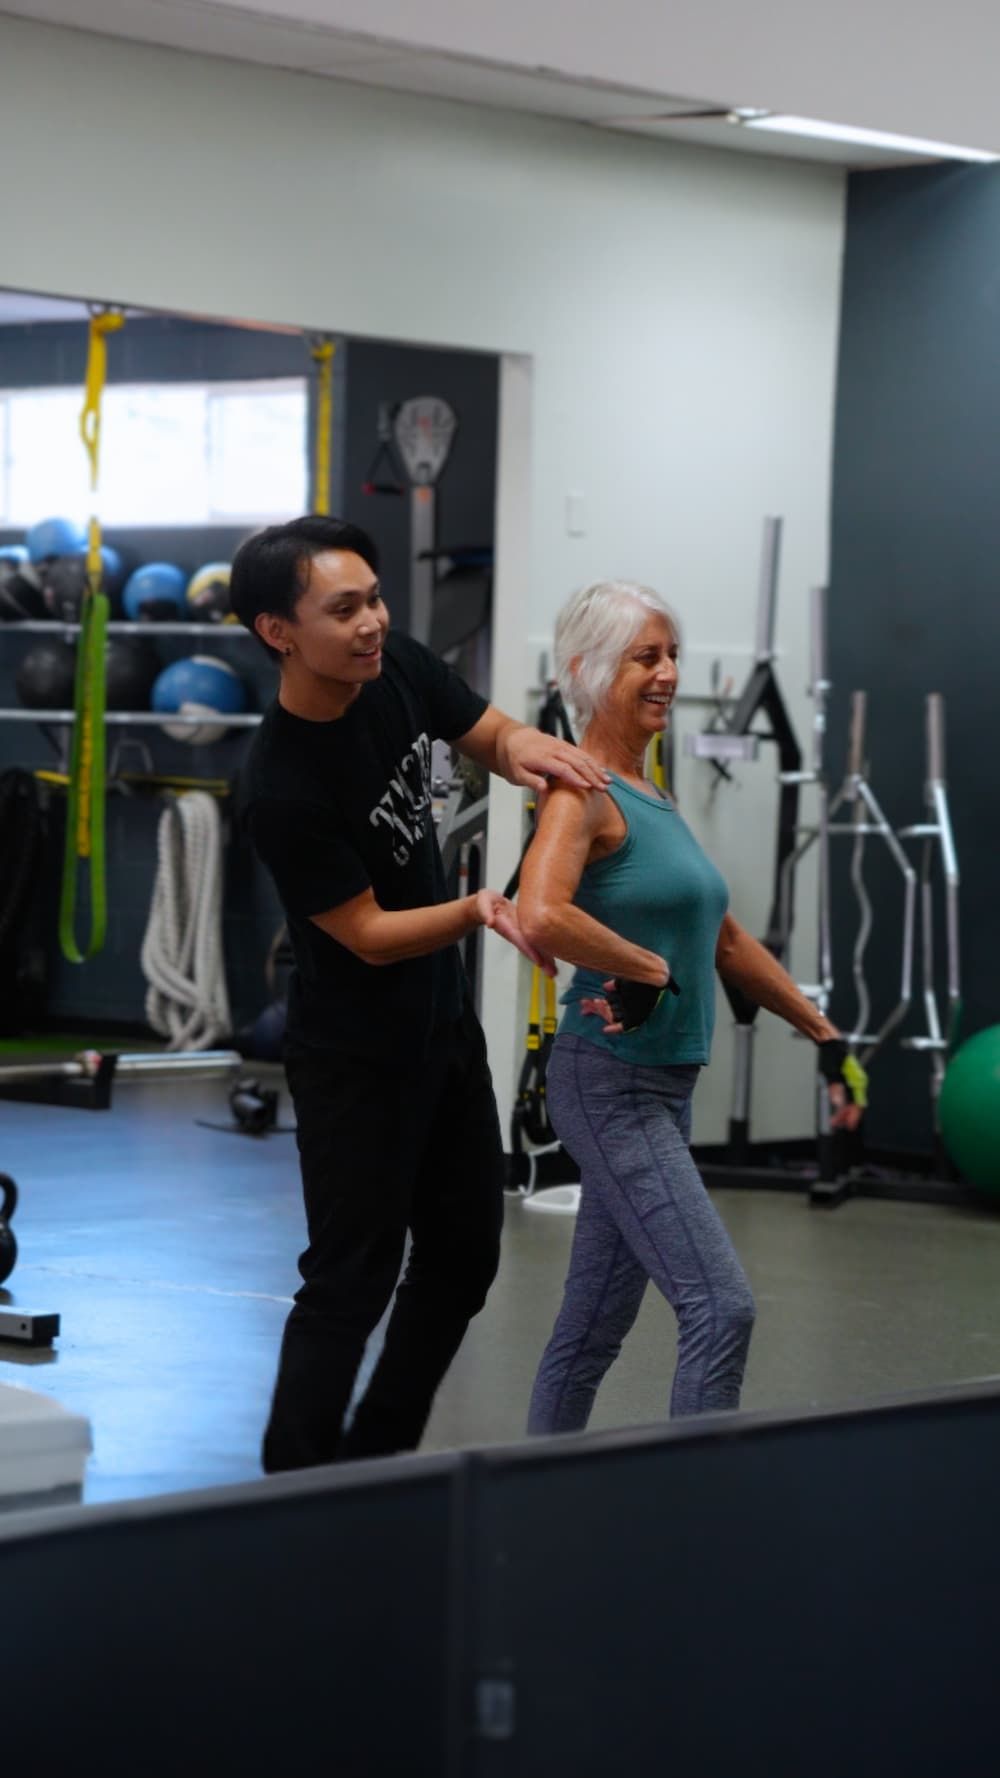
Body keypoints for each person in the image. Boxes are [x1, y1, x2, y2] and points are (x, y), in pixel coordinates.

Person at [229, 514, 609, 1472]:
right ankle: (295, 1482)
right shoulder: (281, 783)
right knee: (350, 1281)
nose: (371, 622)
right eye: (343, 608)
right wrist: (482, 908)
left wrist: (538, 755)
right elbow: (365, 933)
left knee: (463, 1258)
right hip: (354, 1057)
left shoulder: (390, 666)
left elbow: (481, 728)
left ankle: (378, 1455)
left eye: (375, 599)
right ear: (279, 631)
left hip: (440, 1032)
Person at [517, 578, 868, 1431]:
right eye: (647, 657)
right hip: (610, 1085)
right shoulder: (583, 791)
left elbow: (723, 939)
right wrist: (643, 968)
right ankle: (698, 1509)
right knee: (722, 1306)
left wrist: (821, 1030)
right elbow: (540, 912)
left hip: (662, 1091)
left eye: (671, 654)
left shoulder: (654, 795)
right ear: (591, 670)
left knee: (593, 1326)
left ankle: (537, 1493)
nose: (669, 672)